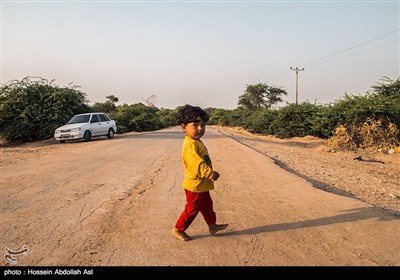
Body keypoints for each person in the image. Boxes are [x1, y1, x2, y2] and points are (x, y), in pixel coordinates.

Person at [172, 104, 228, 241]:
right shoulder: (190, 144)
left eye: (203, 125)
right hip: (195, 185)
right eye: (195, 125)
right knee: (192, 209)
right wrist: (211, 174)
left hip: (202, 184)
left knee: (207, 206)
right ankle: (178, 229)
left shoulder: (196, 141)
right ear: (183, 127)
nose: (200, 129)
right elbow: (197, 165)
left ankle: (212, 226)